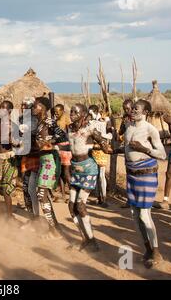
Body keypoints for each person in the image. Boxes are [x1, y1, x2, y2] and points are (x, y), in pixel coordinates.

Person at [119, 99, 166, 268]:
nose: (132, 110)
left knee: (145, 216)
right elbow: (127, 149)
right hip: (132, 175)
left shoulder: (150, 129)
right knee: (134, 214)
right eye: (132, 108)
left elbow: (162, 155)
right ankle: (147, 249)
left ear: (145, 112)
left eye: (136, 108)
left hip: (146, 174)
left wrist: (144, 149)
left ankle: (156, 252)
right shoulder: (129, 127)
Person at [68, 103, 111, 252]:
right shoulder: (70, 128)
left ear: (83, 114)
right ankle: (84, 238)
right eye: (71, 111)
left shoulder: (89, 129)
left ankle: (92, 241)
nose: (71, 113)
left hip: (88, 170)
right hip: (75, 169)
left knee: (80, 205)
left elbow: (103, 143)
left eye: (75, 111)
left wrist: (103, 146)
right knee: (71, 206)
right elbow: (71, 147)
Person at [32, 96, 68, 239]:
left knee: (41, 195)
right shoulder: (40, 123)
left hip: (50, 161)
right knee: (43, 195)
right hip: (43, 160)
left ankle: (53, 231)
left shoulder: (49, 122)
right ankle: (54, 227)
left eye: (36, 106)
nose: (34, 108)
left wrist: (48, 143)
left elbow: (64, 138)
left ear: (44, 107)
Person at [0, 101, 19, 222]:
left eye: (3, 108)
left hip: (8, 159)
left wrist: (14, 141)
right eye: (0, 108)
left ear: (10, 111)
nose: (0, 110)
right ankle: (0, 218)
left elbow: (18, 144)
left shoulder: (14, 126)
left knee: (6, 190)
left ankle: (10, 216)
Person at [19, 97, 40, 221]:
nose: (23, 108)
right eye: (22, 105)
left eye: (26, 105)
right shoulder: (21, 119)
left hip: (36, 155)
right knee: (26, 187)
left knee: (32, 189)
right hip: (26, 156)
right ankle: (31, 216)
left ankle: (36, 218)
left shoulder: (37, 120)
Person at [88, 105, 113, 207]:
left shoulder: (104, 121)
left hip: (101, 150)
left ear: (94, 112)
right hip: (94, 150)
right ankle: (99, 197)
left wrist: (100, 136)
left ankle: (104, 198)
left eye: (91, 113)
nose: (90, 115)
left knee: (101, 175)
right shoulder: (91, 122)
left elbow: (110, 136)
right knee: (96, 174)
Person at [54, 104, 72, 203]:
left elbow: (69, 132)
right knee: (61, 173)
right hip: (59, 146)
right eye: (55, 112)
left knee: (66, 172)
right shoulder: (57, 119)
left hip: (65, 146)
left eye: (57, 111)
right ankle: (63, 195)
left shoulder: (66, 118)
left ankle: (72, 195)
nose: (56, 113)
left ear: (62, 110)